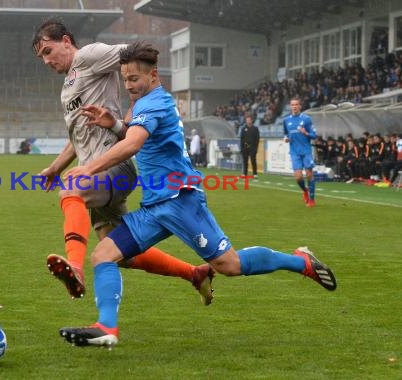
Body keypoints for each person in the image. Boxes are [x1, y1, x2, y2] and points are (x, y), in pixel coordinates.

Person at [59, 41, 337, 347]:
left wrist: (90, 169)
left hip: (181, 200)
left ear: (154, 76)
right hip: (154, 207)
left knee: (230, 266)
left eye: (134, 79)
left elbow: (135, 143)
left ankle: (301, 261)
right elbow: (136, 134)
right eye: (124, 79)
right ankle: (106, 328)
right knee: (103, 255)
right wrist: (114, 124)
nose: (128, 86)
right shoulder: (145, 104)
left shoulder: (155, 102)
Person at [31, 20, 214, 305]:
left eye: (48, 50)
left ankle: (75, 268)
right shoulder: (68, 86)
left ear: (66, 41)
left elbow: (134, 54)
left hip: (112, 166)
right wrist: (56, 167)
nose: (46, 60)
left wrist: (139, 106)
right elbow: (79, 138)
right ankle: (195, 274)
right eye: (41, 56)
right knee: (118, 252)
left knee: (71, 190)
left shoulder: (88, 56)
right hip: (95, 170)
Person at [283, 98, 317, 207]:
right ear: (290, 106)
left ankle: (312, 199)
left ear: (300, 106)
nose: (294, 106)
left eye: (296, 104)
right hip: (294, 152)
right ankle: (305, 190)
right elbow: (285, 134)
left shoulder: (307, 119)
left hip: (306, 151)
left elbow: (314, 135)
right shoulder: (286, 120)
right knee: (298, 177)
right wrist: (286, 138)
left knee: (309, 174)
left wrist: (306, 132)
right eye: (292, 104)